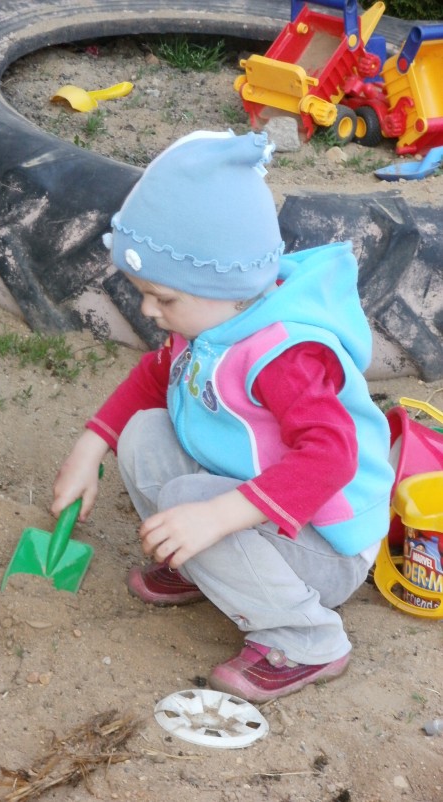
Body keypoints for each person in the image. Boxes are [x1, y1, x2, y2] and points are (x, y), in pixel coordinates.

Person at [51, 129, 395, 702]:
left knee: (190, 501)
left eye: (163, 298)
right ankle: (206, 568)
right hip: (262, 505)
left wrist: (213, 518)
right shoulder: (212, 321)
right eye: (141, 292)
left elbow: (333, 457)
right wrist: (89, 450)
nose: (147, 310)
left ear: (228, 287)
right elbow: (153, 379)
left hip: (326, 546)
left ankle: (306, 638)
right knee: (143, 432)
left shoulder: (284, 355)